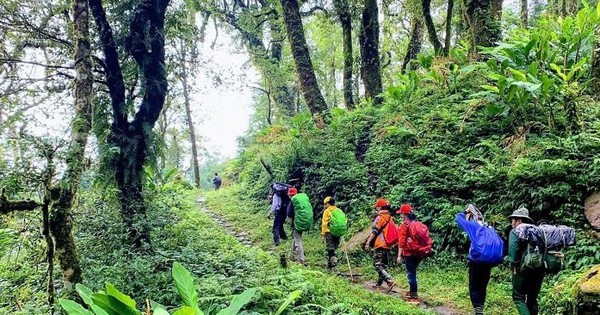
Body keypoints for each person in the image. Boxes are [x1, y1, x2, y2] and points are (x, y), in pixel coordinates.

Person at [456, 205, 501, 315]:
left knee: (474, 285)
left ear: (472, 216)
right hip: (488, 261)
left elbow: (458, 219)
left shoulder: (473, 225)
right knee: (482, 285)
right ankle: (480, 308)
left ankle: (478, 311)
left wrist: (464, 212)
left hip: (476, 261)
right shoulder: (488, 228)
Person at [508, 207, 545, 315]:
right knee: (532, 299)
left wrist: (513, 265)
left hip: (523, 269)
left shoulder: (515, 231)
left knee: (518, 297)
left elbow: (513, 249)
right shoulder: (539, 231)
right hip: (540, 269)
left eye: (513, 221)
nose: (512, 224)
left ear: (519, 220)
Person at [364, 198, 396, 292]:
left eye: (377, 206)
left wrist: (368, 242)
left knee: (377, 264)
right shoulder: (390, 218)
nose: (376, 208)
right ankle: (379, 284)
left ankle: (389, 280)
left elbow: (375, 231)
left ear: (380, 207)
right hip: (388, 244)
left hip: (380, 243)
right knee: (383, 265)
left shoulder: (380, 217)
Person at [396, 203, 423, 303]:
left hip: (409, 253)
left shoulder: (405, 225)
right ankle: (412, 292)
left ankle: (414, 297)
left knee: (411, 274)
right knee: (413, 272)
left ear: (403, 214)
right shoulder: (416, 223)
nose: (401, 215)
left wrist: (399, 255)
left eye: (401, 214)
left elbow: (401, 242)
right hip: (419, 252)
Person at [286, 187, 306, 264]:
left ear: (290, 195)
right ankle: (292, 253)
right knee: (295, 237)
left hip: (296, 223)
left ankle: (301, 258)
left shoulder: (293, 202)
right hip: (302, 222)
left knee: (298, 240)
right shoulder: (301, 201)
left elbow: (289, 214)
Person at [321, 196, 341, 269]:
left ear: (328, 203)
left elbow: (324, 223)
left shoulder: (327, 211)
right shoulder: (338, 210)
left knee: (330, 248)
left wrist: (323, 234)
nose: (324, 205)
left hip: (329, 232)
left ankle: (334, 266)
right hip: (338, 232)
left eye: (325, 204)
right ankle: (330, 265)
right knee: (335, 248)